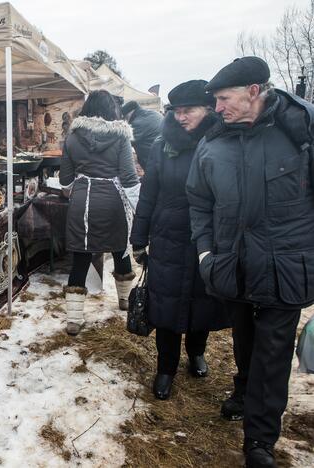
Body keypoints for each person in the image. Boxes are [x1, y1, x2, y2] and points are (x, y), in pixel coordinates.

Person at [186, 56, 314, 468]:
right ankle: (243, 393)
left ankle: (259, 440)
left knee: (273, 355)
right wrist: (206, 252)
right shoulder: (213, 143)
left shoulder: (301, 132)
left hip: (286, 267)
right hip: (233, 265)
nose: (217, 108)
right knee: (244, 342)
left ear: (254, 92)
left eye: (224, 98)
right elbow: (199, 202)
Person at [130, 80, 230, 401]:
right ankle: (165, 368)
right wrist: (139, 236)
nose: (181, 117)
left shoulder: (222, 143)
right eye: (177, 111)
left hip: (207, 238)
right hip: (168, 235)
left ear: (209, 109)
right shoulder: (162, 145)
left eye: (190, 110)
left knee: (203, 299)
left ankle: (197, 352)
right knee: (166, 304)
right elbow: (149, 192)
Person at [60, 90, 139, 335]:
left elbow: (65, 181)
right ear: (112, 110)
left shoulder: (72, 137)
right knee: (119, 248)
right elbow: (128, 177)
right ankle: (125, 300)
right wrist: (141, 209)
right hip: (113, 201)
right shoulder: (121, 136)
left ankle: (74, 319)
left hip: (82, 202)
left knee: (82, 257)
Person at [121, 100, 162, 169]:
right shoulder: (154, 113)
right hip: (163, 158)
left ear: (129, 114)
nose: (125, 121)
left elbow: (123, 143)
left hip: (154, 163)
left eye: (125, 118)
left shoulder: (137, 123)